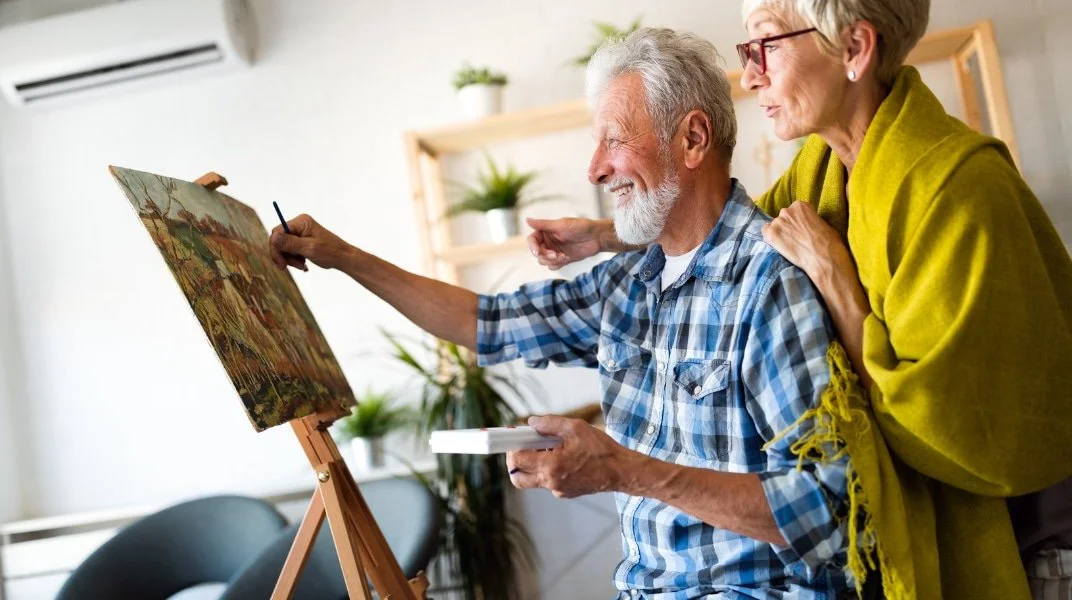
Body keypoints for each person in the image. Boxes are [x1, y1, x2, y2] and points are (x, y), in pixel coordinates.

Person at [272, 28, 860, 599]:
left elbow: (827, 510)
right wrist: (343, 257)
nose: (595, 169)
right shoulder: (628, 283)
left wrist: (624, 470)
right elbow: (487, 323)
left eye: (613, 139)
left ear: (693, 140)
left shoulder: (767, 283)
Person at [524, 0, 1072, 597]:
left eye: (768, 45)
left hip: (1039, 543)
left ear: (856, 50)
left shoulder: (959, 189)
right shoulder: (821, 167)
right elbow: (730, 230)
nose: (751, 73)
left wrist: (837, 282)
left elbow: (951, 429)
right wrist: (608, 235)